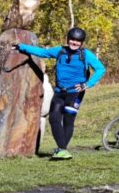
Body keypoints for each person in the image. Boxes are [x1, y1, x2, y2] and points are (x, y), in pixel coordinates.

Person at [15, 27, 105, 160]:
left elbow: (100, 69)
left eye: (78, 41)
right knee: (54, 119)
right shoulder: (60, 51)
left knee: (68, 120)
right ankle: (62, 149)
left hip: (75, 93)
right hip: (59, 92)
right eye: (72, 39)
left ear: (81, 43)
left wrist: (87, 84)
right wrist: (21, 47)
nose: (74, 43)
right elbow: (42, 52)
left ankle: (62, 150)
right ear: (68, 39)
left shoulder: (86, 54)